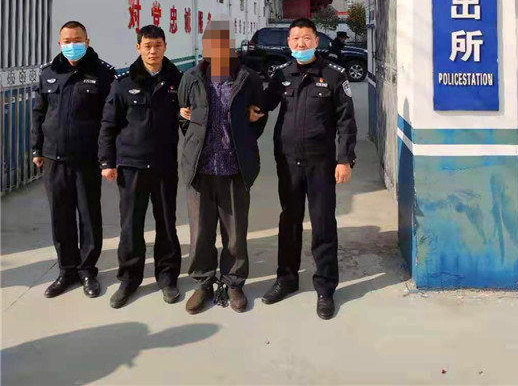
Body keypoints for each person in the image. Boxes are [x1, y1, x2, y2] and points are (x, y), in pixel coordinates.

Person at [261, 17, 357, 320]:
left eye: (306, 38)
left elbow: (346, 121)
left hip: (321, 163)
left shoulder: (333, 75)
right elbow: (263, 105)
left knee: (323, 223)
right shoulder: (281, 74)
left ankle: (325, 287)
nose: (300, 43)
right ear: (288, 43)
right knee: (289, 221)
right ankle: (286, 279)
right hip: (288, 161)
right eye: (295, 39)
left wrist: (344, 159)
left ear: (316, 41)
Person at [178, 19, 268, 314]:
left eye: (221, 44)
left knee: (235, 232)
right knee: (200, 232)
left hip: (234, 168)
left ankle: (233, 283)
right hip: (200, 169)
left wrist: (243, 136)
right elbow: (184, 117)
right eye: (210, 44)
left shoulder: (248, 78)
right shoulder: (191, 77)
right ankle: (203, 282)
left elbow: (259, 116)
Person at [98, 25, 182, 309]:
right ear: (138, 48)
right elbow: (108, 124)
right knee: (130, 225)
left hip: (164, 165)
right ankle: (129, 279)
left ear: (165, 46)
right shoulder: (123, 83)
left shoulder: (177, 80)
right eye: (147, 46)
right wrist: (107, 161)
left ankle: (167, 276)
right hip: (131, 166)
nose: (152, 51)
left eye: (157, 45)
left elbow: (188, 118)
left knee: (166, 222)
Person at [31, 21, 115, 299]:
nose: (72, 45)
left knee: (89, 216)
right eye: (67, 41)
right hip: (53, 159)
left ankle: (87, 269)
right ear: (60, 43)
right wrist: (36, 149)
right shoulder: (48, 73)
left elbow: (109, 120)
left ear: (87, 41)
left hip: (86, 159)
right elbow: (39, 113)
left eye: (77, 40)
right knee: (61, 216)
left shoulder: (102, 73)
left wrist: (106, 158)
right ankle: (66, 270)